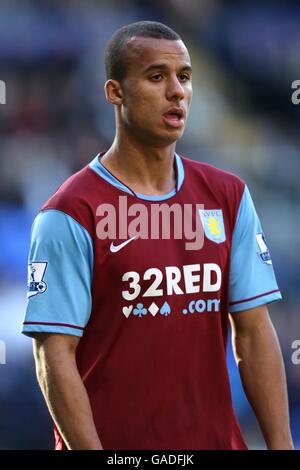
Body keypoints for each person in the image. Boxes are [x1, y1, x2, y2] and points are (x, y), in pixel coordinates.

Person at [22, 21, 294, 450]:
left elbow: (254, 332)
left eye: (183, 77)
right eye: (156, 77)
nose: (177, 91)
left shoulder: (228, 196)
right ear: (115, 92)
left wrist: (282, 446)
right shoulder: (70, 213)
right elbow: (54, 356)